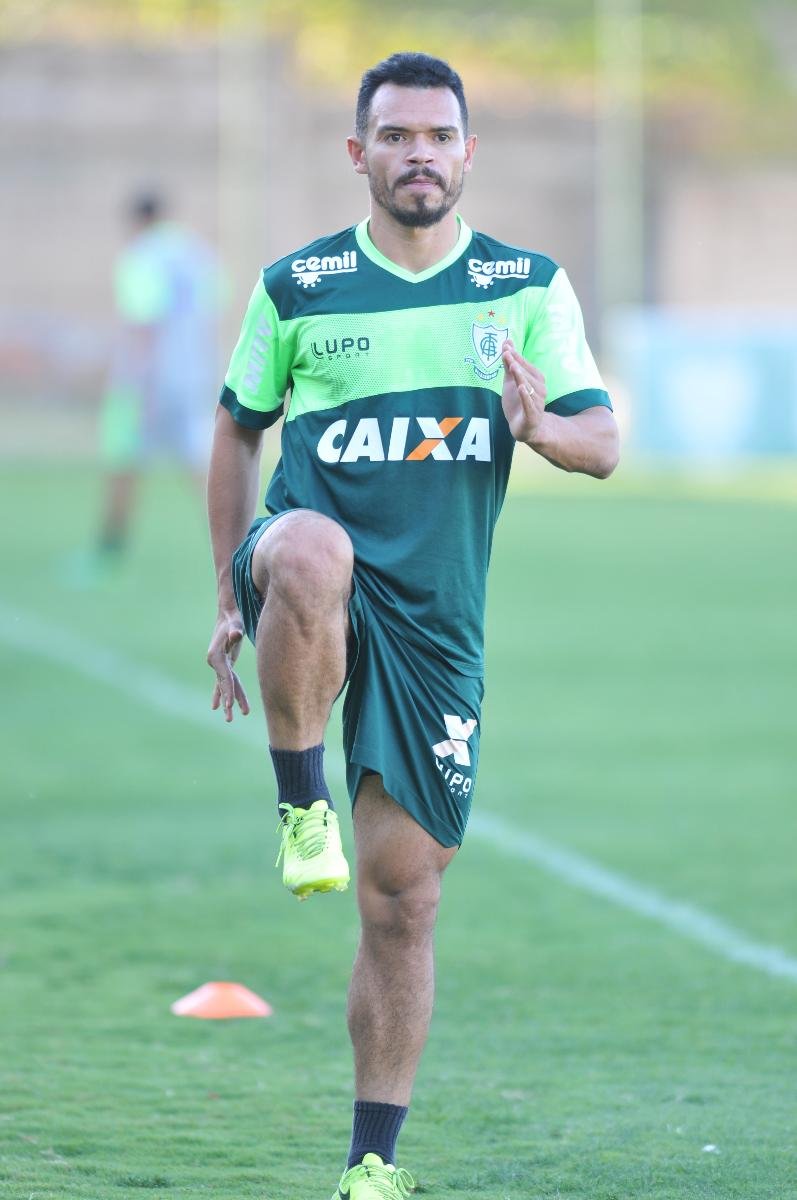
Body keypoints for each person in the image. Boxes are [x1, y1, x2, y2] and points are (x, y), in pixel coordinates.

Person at [206, 52, 619, 1200]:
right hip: (308, 564)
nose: (418, 154)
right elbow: (237, 431)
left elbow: (602, 443)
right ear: (360, 155)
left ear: (467, 154)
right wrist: (223, 598)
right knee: (308, 547)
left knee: (403, 898)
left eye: (438, 136)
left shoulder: (525, 286)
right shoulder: (299, 286)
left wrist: (538, 429)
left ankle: (371, 1166)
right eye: (395, 137)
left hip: (436, 623)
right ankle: (300, 811)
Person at [88, 192, 220, 574]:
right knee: (201, 459)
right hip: (193, 372)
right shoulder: (196, 252)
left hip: (150, 376)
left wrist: (139, 380)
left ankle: (109, 548)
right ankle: (234, 542)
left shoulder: (142, 255)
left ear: (137, 220)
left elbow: (145, 319)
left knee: (123, 455)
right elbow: (213, 309)